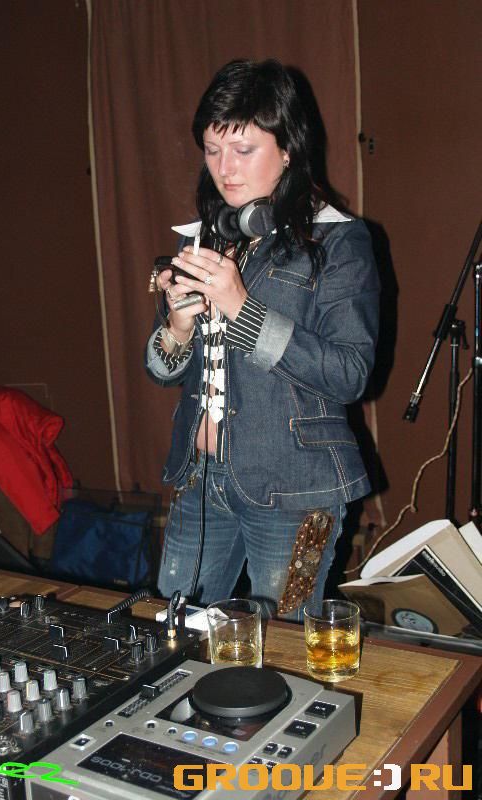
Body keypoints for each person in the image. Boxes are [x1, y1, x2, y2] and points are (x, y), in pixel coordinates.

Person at [145, 59, 379, 620]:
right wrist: (177, 327)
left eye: (243, 150)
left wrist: (242, 310)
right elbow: (162, 370)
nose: (224, 169)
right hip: (203, 481)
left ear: (289, 148)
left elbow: (351, 374)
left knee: (284, 649)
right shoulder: (210, 236)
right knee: (179, 635)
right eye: (211, 150)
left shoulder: (340, 242)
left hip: (297, 491)